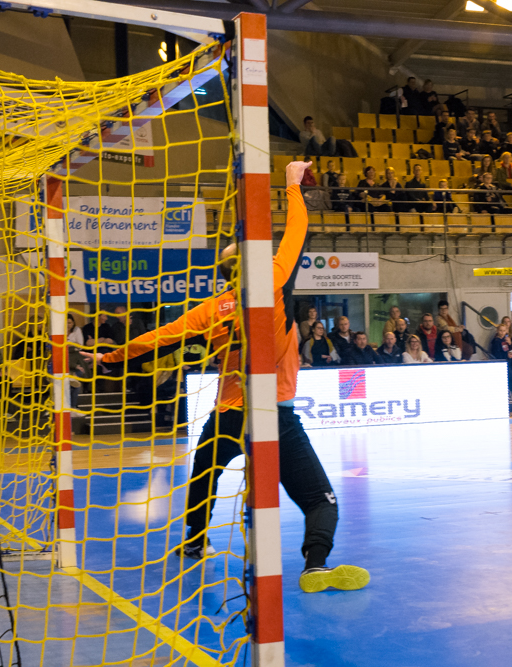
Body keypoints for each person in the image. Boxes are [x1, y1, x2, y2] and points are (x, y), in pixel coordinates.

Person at [83, 161, 368, 593]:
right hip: (275, 417)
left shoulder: (211, 310)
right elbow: (298, 232)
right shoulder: (275, 283)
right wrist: (292, 183)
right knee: (320, 501)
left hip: (228, 415)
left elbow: (160, 339)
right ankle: (315, 564)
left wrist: (109, 358)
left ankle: (195, 541)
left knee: (204, 473)